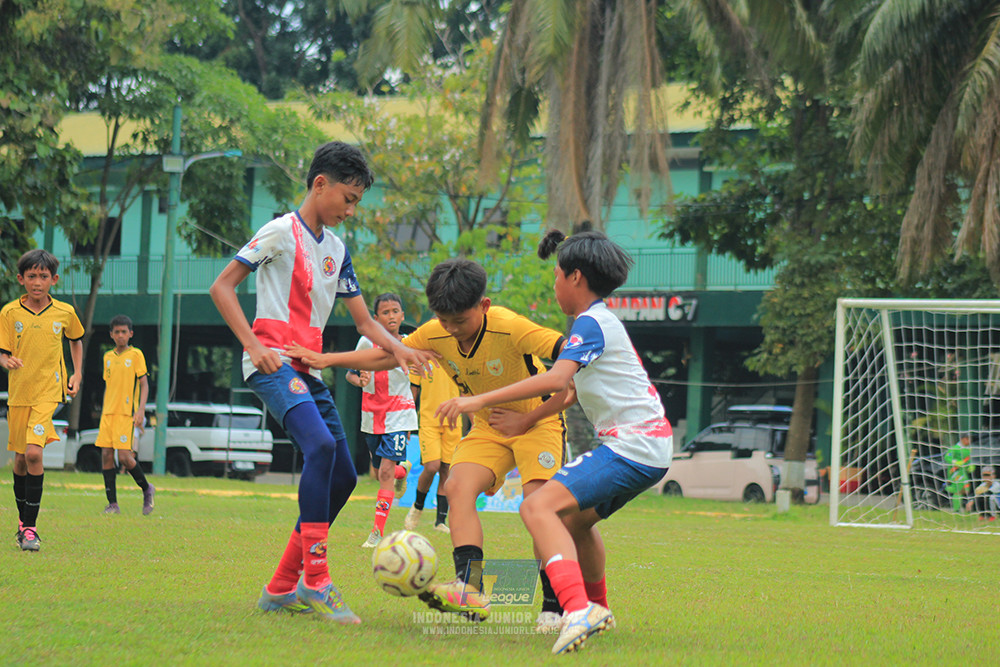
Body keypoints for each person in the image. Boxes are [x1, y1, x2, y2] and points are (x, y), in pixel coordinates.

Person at [209, 141, 436, 623]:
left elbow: (367, 323)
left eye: (357, 202)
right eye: (348, 199)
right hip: (272, 366)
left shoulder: (336, 249)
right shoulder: (277, 232)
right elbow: (221, 286)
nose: (352, 210)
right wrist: (253, 345)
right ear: (320, 185)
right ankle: (317, 580)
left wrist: (403, 349)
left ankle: (279, 587)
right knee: (322, 448)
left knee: (344, 477)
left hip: (308, 370)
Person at [286, 258, 568, 627]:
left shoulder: (511, 327)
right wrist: (326, 359)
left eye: (460, 322)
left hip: (537, 422)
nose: (451, 331)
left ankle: (553, 605)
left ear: (483, 306)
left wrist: (527, 418)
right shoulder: (437, 331)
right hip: (489, 427)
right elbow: (388, 355)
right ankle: (470, 587)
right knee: (457, 486)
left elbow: (569, 365)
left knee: (538, 508)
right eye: (444, 321)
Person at [435, 230, 674, 654]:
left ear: (575, 277)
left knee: (537, 506)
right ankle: (597, 609)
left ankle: (575, 609)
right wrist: (529, 417)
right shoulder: (599, 323)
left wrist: (480, 398)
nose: (555, 285)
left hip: (633, 446)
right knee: (576, 521)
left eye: (557, 276)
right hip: (649, 448)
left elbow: (556, 379)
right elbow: (575, 390)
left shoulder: (591, 322)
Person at [1, 249, 85, 552]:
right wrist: (5, 360)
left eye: (44, 276)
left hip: (49, 392)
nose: (38, 282)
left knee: (34, 454)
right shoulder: (10, 313)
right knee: (21, 459)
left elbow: (76, 340)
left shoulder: (64, 312)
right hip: (19, 394)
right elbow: (3, 349)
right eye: (32, 276)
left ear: (54, 279)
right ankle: (23, 525)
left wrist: (76, 374)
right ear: (21, 278)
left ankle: (31, 528)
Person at [346, 293, 417, 548]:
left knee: (385, 471)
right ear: (375, 318)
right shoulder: (365, 343)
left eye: (395, 311)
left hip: (399, 413)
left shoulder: (410, 342)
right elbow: (350, 374)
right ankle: (404, 469)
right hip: (372, 416)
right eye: (385, 312)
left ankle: (376, 533)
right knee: (380, 473)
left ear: (402, 316)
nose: (391, 316)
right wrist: (359, 380)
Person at [96, 315, 154, 515]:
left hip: (126, 414)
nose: (120, 335)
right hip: (108, 414)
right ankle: (112, 504)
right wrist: (103, 408)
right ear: (111, 334)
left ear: (130, 333)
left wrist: (140, 411)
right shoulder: (108, 357)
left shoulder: (136, 355)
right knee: (106, 455)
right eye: (116, 332)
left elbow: (144, 384)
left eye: (124, 332)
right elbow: (108, 385)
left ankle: (147, 489)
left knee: (125, 458)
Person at [404, 330, 461, 535]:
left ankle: (440, 521)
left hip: (453, 421)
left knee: (447, 469)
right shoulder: (421, 355)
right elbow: (413, 391)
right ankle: (418, 506)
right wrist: (408, 422)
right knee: (432, 466)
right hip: (429, 419)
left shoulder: (460, 353)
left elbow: (467, 391)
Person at [945, 435, 973, 513]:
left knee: (966, 489)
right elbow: (947, 457)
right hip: (955, 472)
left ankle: (965, 507)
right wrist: (955, 462)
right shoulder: (954, 448)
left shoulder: (968, 450)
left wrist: (970, 466)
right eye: (967, 439)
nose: (969, 441)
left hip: (964, 472)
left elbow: (968, 460)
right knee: (957, 489)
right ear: (962, 439)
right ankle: (956, 509)